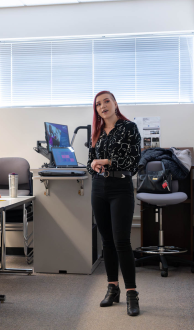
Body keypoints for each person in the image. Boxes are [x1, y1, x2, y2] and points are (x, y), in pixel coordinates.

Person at [87, 91, 141, 316]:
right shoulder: (96, 132)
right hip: (99, 188)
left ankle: (131, 293)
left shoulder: (129, 128)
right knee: (106, 241)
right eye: (98, 104)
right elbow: (91, 161)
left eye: (106, 101)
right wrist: (94, 166)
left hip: (121, 187)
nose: (102, 106)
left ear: (115, 103)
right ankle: (112, 288)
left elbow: (135, 161)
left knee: (121, 241)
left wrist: (107, 161)